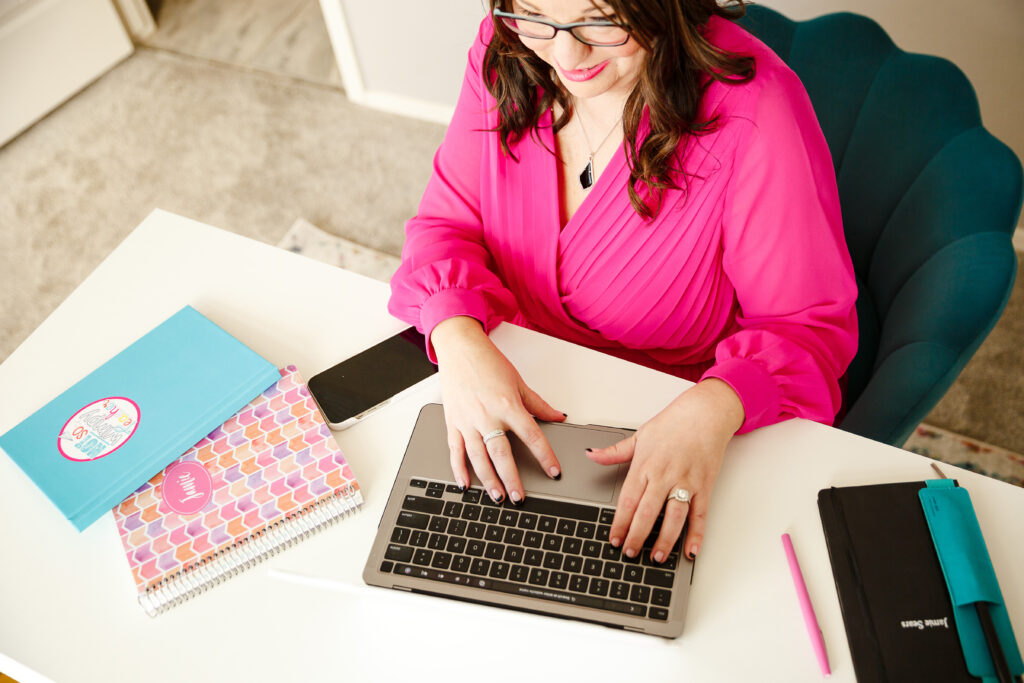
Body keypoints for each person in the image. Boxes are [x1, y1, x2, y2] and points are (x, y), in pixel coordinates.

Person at [388, 0, 858, 567]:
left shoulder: (758, 109)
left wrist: (713, 406)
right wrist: (459, 339)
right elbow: (447, 224)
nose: (565, 54)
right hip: (511, 380)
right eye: (534, 14)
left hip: (668, 419)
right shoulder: (507, 47)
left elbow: (805, 328)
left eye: (598, 19)